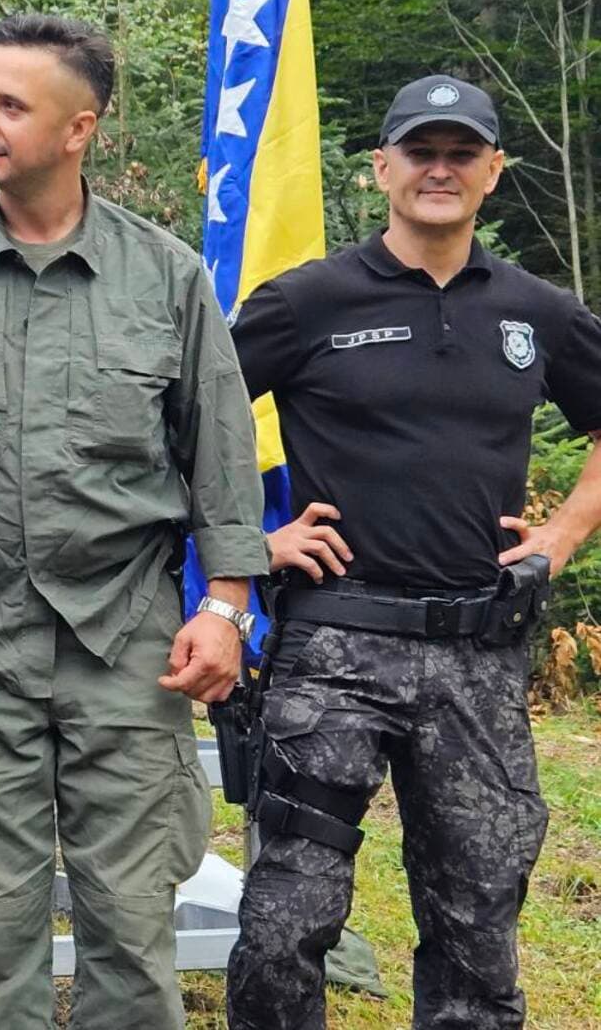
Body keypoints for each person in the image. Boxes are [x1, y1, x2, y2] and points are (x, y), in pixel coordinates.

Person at [0, 14, 270, 1029]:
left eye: (10, 106)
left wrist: (224, 604)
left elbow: (217, 446)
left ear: (78, 128)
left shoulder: (163, 276)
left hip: (126, 644)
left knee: (133, 932)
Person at [224, 74, 601, 1030]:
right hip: (332, 650)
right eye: (421, 151)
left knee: (479, 923)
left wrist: (560, 536)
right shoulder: (307, 301)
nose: (440, 169)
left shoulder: (538, 314)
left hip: (479, 656)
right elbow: (190, 425)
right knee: (285, 923)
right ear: (382, 166)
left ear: (493, 172)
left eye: (462, 153)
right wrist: (251, 540)